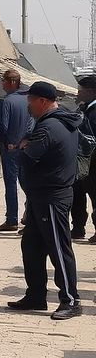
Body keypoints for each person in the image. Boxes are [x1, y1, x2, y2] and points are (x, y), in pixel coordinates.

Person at [8, 81, 82, 320]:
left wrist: (20, 148)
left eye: (30, 101)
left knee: (58, 248)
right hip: (42, 195)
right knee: (31, 246)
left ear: (42, 101)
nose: (28, 105)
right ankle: (36, 295)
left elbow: (26, 158)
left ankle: (71, 300)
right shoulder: (57, 121)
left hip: (51, 196)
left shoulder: (49, 127)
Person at [0, 69, 31, 231]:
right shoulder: (28, 100)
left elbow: (3, 125)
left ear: (12, 82)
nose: (2, 84)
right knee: (27, 184)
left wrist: (5, 142)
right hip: (26, 147)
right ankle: (30, 216)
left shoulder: (7, 101)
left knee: (10, 184)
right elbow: (32, 123)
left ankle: (11, 219)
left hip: (10, 148)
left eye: (4, 80)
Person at [72, 74, 96, 243]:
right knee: (77, 194)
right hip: (82, 161)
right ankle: (78, 227)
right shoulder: (83, 109)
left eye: (81, 90)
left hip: (93, 162)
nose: (78, 93)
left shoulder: (93, 112)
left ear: (91, 91)